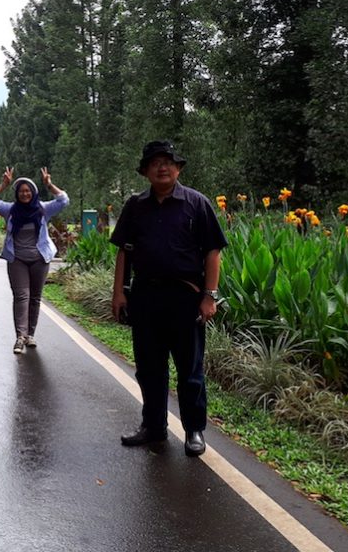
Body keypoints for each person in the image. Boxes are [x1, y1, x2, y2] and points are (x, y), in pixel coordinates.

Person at [110, 141, 227, 458]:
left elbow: (212, 252)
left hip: (185, 296)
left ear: (179, 168)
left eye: (168, 162)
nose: (162, 167)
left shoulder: (196, 204)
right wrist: (118, 291)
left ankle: (194, 431)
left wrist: (209, 296)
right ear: (145, 170)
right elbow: (125, 251)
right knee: (149, 367)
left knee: (190, 369)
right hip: (146, 296)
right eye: (155, 162)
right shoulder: (135, 206)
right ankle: (153, 427)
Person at [0, 166, 69, 354]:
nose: (25, 194)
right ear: (17, 193)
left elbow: (64, 200)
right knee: (21, 296)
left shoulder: (43, 209)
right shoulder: (10, 210)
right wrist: (4, 184)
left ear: (33, 192)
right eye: (21, 191)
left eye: (28, 190)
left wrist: (50, 185)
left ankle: (30, 335)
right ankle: (20, 337)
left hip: (40, 259)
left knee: (35, 298)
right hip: (17, 260)